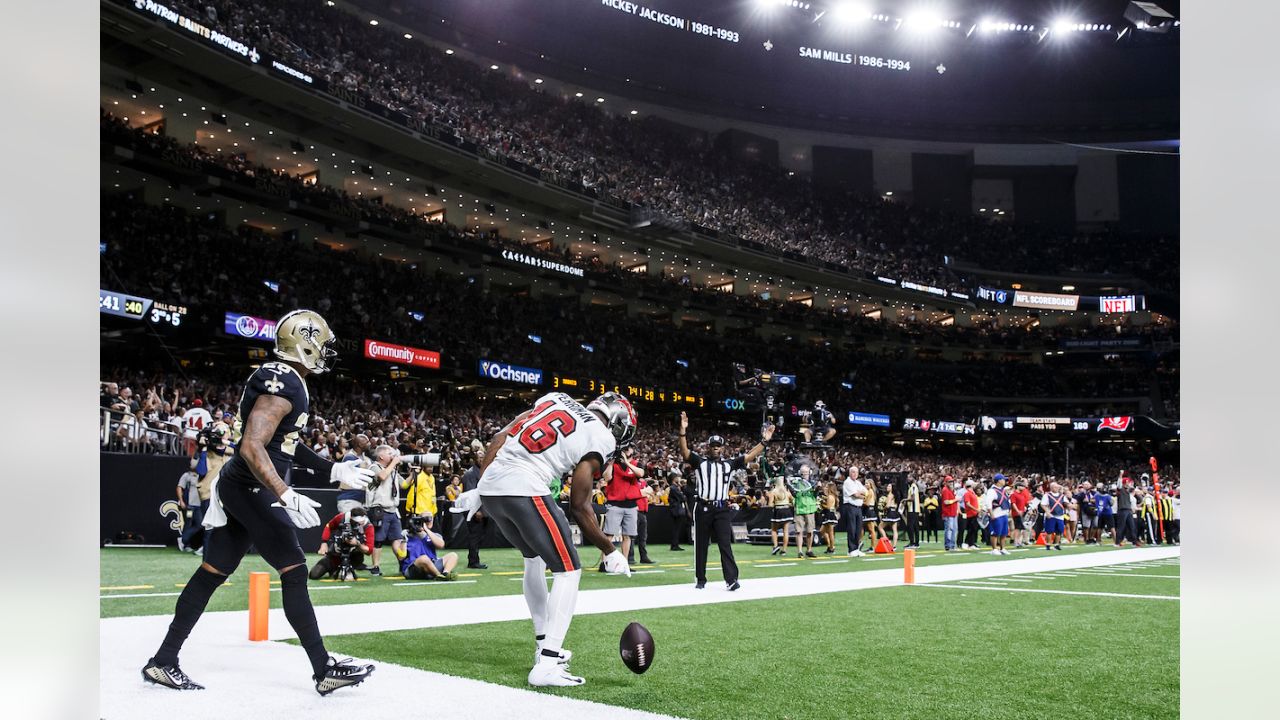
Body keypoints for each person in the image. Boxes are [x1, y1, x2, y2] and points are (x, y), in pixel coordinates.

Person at [142, 309, 377, 695]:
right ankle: (323, 670)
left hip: (239, 486)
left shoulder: (283, 377)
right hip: (250, 488)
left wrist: (332, 470)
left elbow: (283, 441)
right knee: (295, 571)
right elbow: (252, 445)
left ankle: (163, 661)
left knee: (212, 572)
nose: (327, 351)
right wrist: (283, 493)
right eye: (322, 343)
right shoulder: (285, 385)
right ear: (306, 344)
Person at [465, 390, 637, 687]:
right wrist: (609, 550)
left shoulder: (555, 398)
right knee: (569, 570)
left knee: (534, 560)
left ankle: (544, 646)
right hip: (525, 486)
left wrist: (482, 485)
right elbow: (580, 505)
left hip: (493, 488)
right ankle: (547, 663)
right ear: (619, 423)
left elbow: (499, 438)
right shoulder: (603, 437)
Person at [679, 411, 774, 590]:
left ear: (722, 448)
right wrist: (682, 431)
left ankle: (731, 580)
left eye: (718, 446)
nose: (715, 448)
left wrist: (764, 441)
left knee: (725, 544)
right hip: (703, 506)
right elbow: (685, 452)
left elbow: (749, 456)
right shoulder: (700, 462)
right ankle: (701, 579)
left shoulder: (728, 464)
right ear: (708, 447)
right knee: (701, 545)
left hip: (721, 508)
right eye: (713, 445)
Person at [364, 444, 405, 576]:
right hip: (379, 509)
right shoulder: (374, 467)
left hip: (393, 509)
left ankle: (403, 564)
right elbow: (381, 477)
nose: (393, 456)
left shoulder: (392, 469)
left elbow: (404, 484)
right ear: (381, 456)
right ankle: (376, 566)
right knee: (379, 540)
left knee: (397, 539)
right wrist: (394, 463)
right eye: (390, 453)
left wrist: (413, 474)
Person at [601, 447, 645, 568]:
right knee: (609, 535)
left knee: (627, 536)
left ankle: (624, 563)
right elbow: (606, 477)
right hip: (615, 504)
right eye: (624, 449)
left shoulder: (636, 463)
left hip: (631, 505)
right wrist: (611, 463)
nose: (626, 451)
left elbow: (640, 473)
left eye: (628, 449)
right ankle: (604, 563)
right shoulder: (613, 464)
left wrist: (626, 462)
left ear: (632, 451)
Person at [309, 508, 375, 580]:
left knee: (347, 577)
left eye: (360, 522)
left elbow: (369, 550)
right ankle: (333, 569)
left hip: (352, 557)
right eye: (356, 522)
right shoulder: (341, 518)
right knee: (314, 574)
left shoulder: (368, 526)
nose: (358, 524)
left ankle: (347, 569)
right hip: (335, 554)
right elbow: (329, 526)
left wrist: (357, 544)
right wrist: (324, 543)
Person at [400, 514, 458, 581]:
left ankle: (445, 573)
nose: (429, 520)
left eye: (431, 518)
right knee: (424, 558)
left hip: (431, 565)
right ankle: (438, 575)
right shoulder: (407, 535)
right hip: (413, 568)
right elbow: (401, 557)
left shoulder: (433, 535)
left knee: (453, 555)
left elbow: (441, 545)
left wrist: (426, 530)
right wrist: (404, 539)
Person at [460, 453, 489, 569]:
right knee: (474, 537)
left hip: (483, 509)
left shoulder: (483, 472)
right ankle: (473, 562)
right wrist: (477, 510)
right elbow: (471, 494)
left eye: (483, 457)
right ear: (474, 460)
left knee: (478, 537)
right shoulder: (471, 473)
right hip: (475, 511)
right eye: (480, 458)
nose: (482, 460)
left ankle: (474, 560)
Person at [789, 464, 819, 558]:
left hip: (810, 508)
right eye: (802, 473)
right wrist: (791, 486)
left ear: (809, 472)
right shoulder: (796, 482)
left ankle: (809, 550)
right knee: (799, 531)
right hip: (799, 508)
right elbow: (793, 493)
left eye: (806, 472)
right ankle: (800, 551)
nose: (804, 474)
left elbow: (815, 494)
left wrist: (818, 488)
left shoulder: (813, 482)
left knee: (810, 531)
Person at [175, 463, 201, 553]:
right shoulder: (187, 475)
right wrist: (181, 500)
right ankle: (185, 543)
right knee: (188, 524)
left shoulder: (202, 475)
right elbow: (179, 487)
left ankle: (183, 540)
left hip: (199, 504)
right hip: (190, 505)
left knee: (199, 524)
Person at [841, 466, 867, 556]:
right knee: (851, 528)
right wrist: (860, 494)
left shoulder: (858, 482)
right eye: (853, 472)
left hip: (858, 507)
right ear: (849, 473)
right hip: (850, 507)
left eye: (856, 472)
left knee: (858, 529)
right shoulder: (847, 482)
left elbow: (866, 492)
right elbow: (855, 494)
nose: (855, 474)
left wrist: (860, 494)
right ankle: (851, 549)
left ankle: (856, 548)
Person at [984, 474, 1012, 555]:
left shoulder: (1003, 490)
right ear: (999, 481)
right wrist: (991, 513)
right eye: (1003, 479)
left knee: (1004, 533)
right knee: (995, 532)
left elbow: (1007, 501)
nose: (1005, 481)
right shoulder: (992, 491)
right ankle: (994, 549)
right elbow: (988, 502)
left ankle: (1002, 548)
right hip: (996, 514)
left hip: (1004, 514)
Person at [767, 477, 795, 556]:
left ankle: (775, 546)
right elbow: (793, 502)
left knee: (774, 530)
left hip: (778, 511)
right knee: (785, 531)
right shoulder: (787, 492)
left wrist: (773, 502)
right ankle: (784, 550)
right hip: (787, 511)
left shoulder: (773, 492)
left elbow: (770, 505)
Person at [1041, 482, 1068, 551]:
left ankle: (1056, 544)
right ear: (1051, 488)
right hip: (1051, 515)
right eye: (1054, 487)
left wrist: (1070, 505)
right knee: (1049, 531)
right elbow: (1043, 504)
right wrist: (1047, 512)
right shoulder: (1047, 495)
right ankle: (1048, 544)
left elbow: (1066, 503)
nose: (1056, 488)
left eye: (1057, 487)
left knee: (1059, 531)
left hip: (1060, 515)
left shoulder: (1062, 496)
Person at [667, 475, 689, 551]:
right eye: (677, 477)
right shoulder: (673, 488)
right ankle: (674, 545)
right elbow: (683, 497)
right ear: (674, 479)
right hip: (676, 510)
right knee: (676, 528)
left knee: (676, 528)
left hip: (676, 509)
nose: (679, 479)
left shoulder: (675, 487)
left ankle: (675, 544)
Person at [1009, 480, 1033, 548]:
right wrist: (1017, 511)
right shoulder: (1013, 494)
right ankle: (1016, 542)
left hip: (1022, 513)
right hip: (1016, 513)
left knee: (1020, 528)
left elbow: (1026, 503)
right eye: (1022, 486)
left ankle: (1018, 542)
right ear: (1017, 486)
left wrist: (1030, 509)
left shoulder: (1022, 494)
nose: (1023, 487)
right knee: (1017, 528)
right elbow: (1013, 503)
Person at [818, 482, 839, 554]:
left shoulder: (830, 496)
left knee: (830, 532)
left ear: (830, 488)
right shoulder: (829, 496)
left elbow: (828, 507)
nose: (825, 488)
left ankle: (832, 547)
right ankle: (829, 545)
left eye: (827, 487)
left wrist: (820, 504)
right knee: (822, 531)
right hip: (828, 514)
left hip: (830, 514)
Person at [880, 483, 901, 550]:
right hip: (894, 512)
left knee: (880, 527)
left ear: (892, 488)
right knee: (894, 530)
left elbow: (888, 505)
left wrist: (883, 507)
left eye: (889, 486)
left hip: (890, 513)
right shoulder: (895, 495)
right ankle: (894, 546)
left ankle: (887, 541)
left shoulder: (889, 495)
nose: (887, 487)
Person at [902, 478, 922, 549]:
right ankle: (916, 543)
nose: (907, 479)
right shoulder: (914, 487)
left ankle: (912, 542)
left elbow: (912, 498)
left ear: (913, 479)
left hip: (912, 510)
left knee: (910, 526)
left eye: (909, 477)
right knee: (916, 527)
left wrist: (905, 500)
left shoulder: (913, 487)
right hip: (915, 509)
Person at [940, 476, 959, 551]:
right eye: (949, 481)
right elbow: (946, 502)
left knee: (953, 530)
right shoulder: (945, 490)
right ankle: (949, 545)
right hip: (948, 514)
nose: (951, 483)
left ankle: (952, 545)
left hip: (952, 513)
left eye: (952, 481)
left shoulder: (950, 490)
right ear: (946, 482)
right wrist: (955, 500)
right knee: (949, 530)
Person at [961, 481, 981, 549]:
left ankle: (971, 543)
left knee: (974, 529)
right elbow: (968, 504)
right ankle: (966, 542)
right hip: (971, 514)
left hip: (974, 513)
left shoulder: (972, 493)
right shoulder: (967, 493)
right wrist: (976, 509)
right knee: (971, 529)